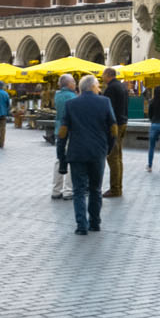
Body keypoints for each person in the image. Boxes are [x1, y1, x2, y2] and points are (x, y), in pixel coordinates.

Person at [59, 75, 117, 235]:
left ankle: (81, 225)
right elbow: (113, 129)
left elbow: (62, 133)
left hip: (77, 153)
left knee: (78, 191)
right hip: (98, 152)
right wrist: (108, 148)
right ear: (92, 86)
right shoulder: (105, 102)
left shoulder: (71, 104)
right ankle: (95, 223)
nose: (99, 88)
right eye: (98, 86)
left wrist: (61, 156)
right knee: (95, 189)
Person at [102, 67, 129, 197]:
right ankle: (118, 186)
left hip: (115, 125)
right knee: (118, 157)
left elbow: (108, 109)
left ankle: (115, 189)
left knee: (113, 157)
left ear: (108, 75)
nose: (102, 77)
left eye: (103, 75)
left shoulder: (111, 88)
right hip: (123, 122)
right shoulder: (122, 87)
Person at [50, 74, 77, 199]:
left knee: (59, 159)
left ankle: (56, 190)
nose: (75, 84)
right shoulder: (72, 97)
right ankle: (68, 190)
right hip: (70, 131)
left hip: (59, 129)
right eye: (74, 82)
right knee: (71, 159)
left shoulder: (57, 95)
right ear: (68, 84)